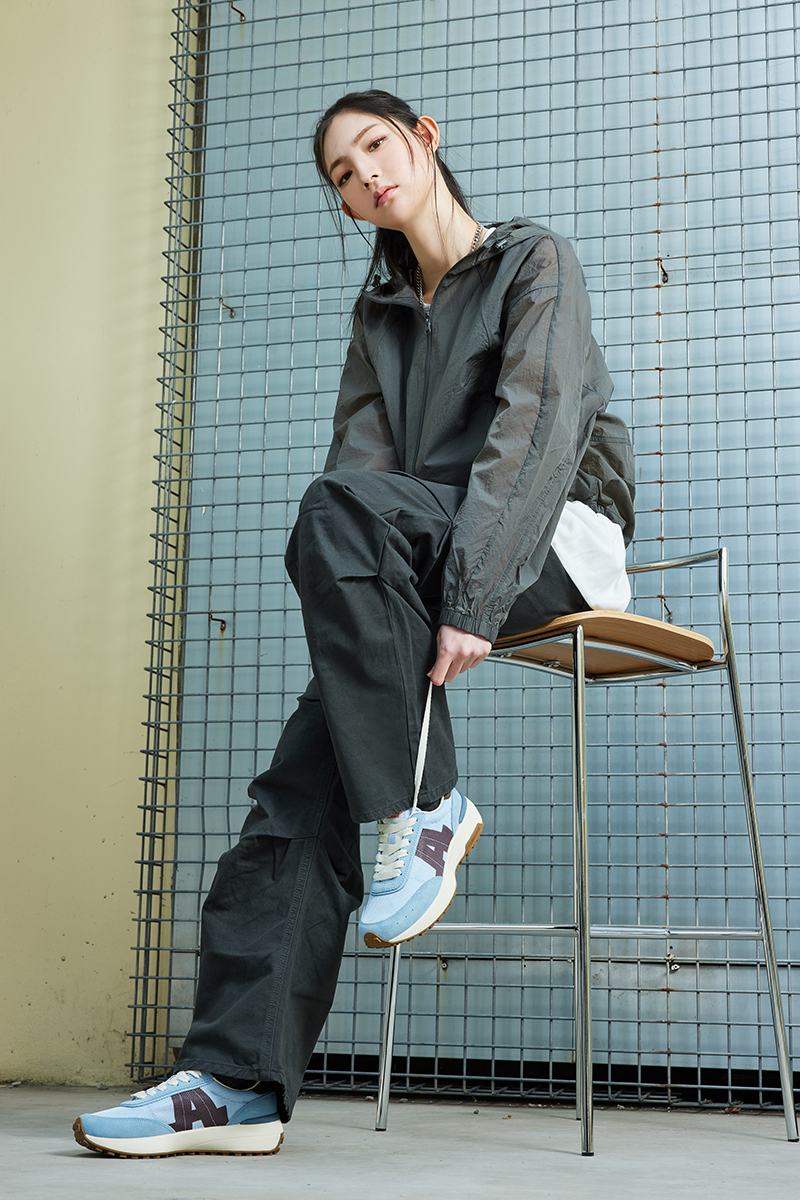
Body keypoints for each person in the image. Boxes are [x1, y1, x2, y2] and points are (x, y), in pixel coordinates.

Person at [73, 89, 634, 1158]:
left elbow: (536, 426)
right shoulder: (379, 319)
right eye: (342, 172)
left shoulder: (533, 261)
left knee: (340, 518)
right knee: (295, 792)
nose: (365, 174)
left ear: (424, 139)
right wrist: (368, 631)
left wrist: (468, 599)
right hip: (414, 558)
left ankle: (426, 801)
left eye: (374, 145)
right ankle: (235, 1086)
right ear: (344, 203)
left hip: (549, 546)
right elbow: (358, 478)